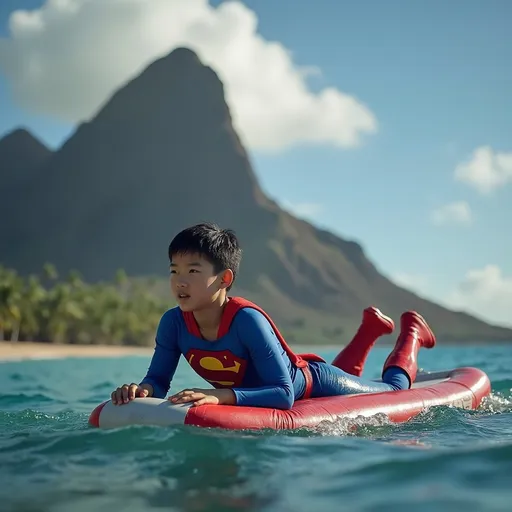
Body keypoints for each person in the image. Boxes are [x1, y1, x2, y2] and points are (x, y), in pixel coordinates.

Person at [111, 223, 435, 409]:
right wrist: (142, 391)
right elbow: (158, 381)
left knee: (392, 391)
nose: (180, 281)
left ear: (224, 279)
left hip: (312, 382)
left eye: (193, 271)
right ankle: (370, 329)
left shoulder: (246, 321)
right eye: (174, 270)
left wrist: (218, 396)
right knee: (353, 378)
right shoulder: (172, 323)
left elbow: (283, 394)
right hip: (295, 381)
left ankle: (413, 334)